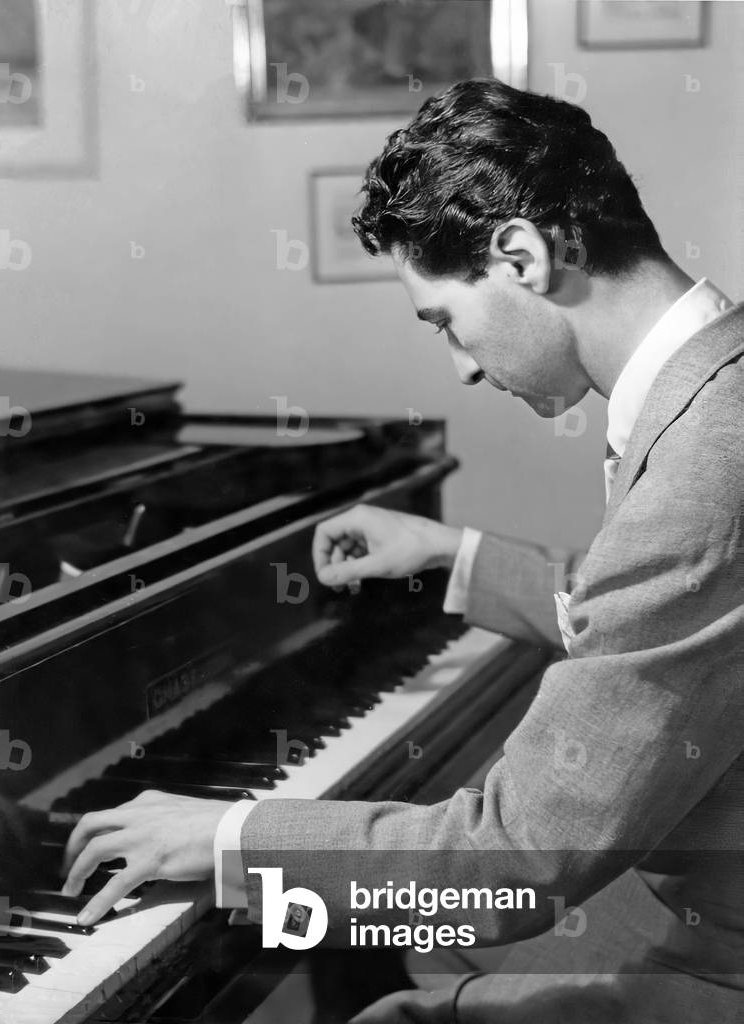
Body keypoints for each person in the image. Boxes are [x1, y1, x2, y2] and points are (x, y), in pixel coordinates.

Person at [61, 80, 743, 1022]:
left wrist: (225, 839)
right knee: (388, 928)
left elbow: (513, 870)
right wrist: (450, 552)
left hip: (722, 951)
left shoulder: (706, 467)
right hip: (706, 867)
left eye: (445, 321)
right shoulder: (715, 382)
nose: (460, 365)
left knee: (396, 983)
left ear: (521, 255)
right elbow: (662, 625)